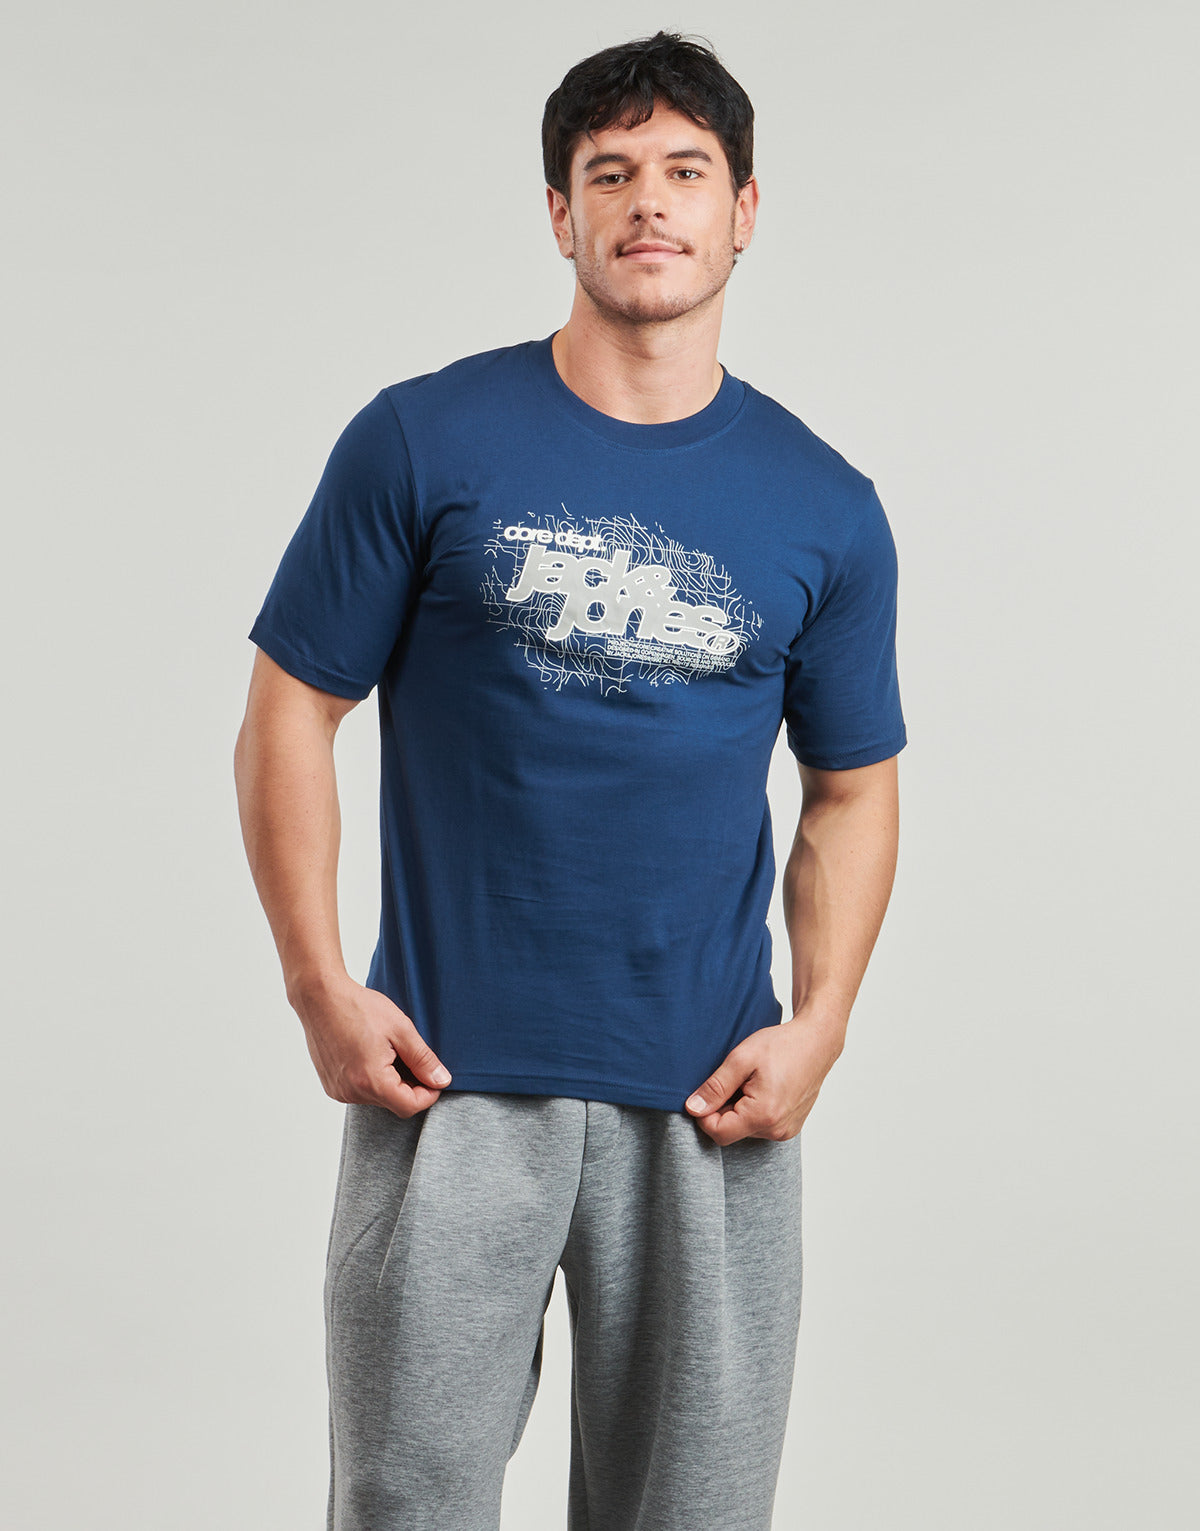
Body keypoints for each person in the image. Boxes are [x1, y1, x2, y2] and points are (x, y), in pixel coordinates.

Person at [234, 29, 906, 1531]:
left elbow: (854, 790)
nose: (648, 202)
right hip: (445, 1079)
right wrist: (316, 985)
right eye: (610, 174)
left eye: (686, 171)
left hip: (710, 1095)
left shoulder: (825, 505)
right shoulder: (422, 440)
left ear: (744, 209)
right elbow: (288, 709)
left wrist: (822, 1027)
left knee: (695, 1511)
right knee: (405, 1503)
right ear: (560, 213)